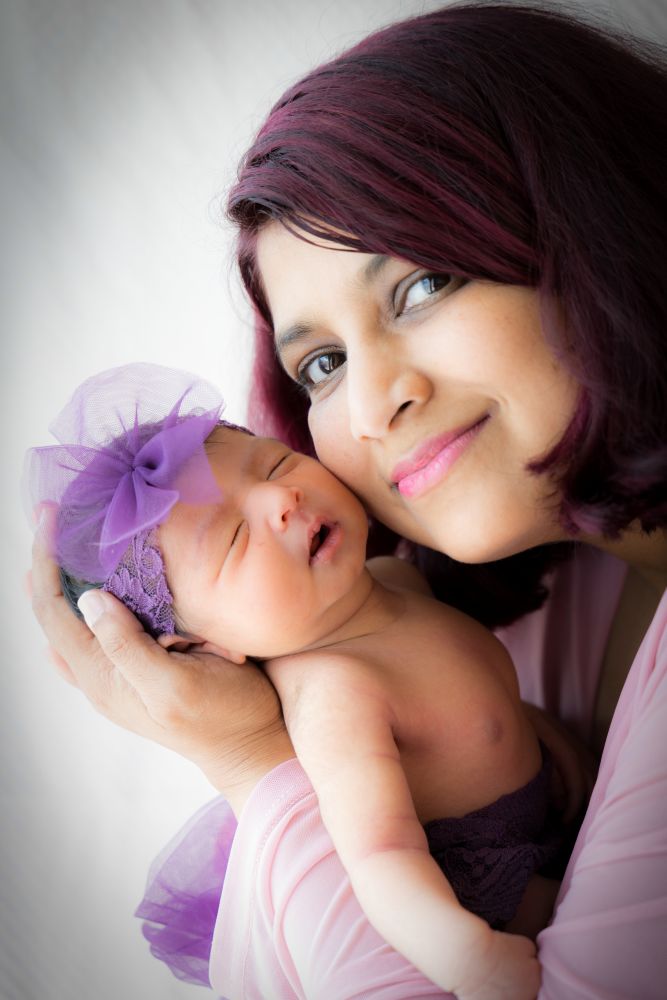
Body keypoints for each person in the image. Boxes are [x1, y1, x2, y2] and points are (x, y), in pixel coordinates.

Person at [29, 4, 666, 998]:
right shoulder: (511, 591)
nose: (372, 406)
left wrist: (249, 759)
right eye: (321, 363)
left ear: (595, 219)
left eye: (419, 287)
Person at [27, 363, 572, 998]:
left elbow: (482, 712)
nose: (279, 501)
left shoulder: (397, 582)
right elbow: (380, 858)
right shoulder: (334, 696)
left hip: (545, 813)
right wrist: (465, 955)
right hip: (492, 895)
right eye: (233, 538)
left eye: (275, 466)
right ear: (204, 646)